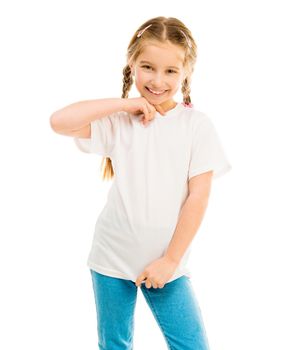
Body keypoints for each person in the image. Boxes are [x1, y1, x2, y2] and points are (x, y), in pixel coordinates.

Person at [50, 16, 232, 350]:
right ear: (132, 64)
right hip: (111, 258)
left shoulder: (196, 126)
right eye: (148, 67)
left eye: (170, 71)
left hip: (167, 264)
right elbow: (59, 122)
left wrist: (170, 261)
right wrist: (125, 103)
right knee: (114, 345)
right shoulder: (119, 121)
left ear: (186, 72)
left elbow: (198, 197)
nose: (158, 80)